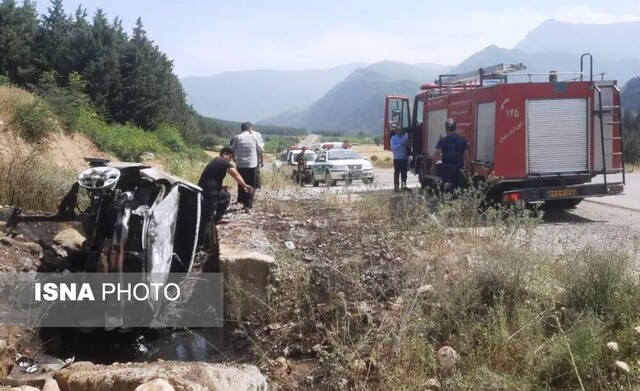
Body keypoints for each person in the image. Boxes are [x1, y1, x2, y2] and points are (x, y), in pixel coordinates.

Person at [197, 147, 253, 242]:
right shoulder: (221, 162)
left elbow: (211, 178)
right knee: (207, 217)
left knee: (225, 196)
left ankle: (218, 219)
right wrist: (244, 185)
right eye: (230, 157)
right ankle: (202, 242)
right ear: (224, 154)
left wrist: (222, 187)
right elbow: (235, 174)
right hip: (209, 193)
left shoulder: (216, 161)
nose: (230, 160)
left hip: (208, 189)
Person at [431, 118, 472, 193]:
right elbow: (467, 156)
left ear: (446, 128)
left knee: (448, 191)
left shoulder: (443, 139)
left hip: (447, 170)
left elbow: (437, 154)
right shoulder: (462, 140)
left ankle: (449, 204)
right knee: (458, 191)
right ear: (455, 127)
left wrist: (433, 166)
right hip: (459, 169)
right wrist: (469, 170)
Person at [230, 122, 263, 211]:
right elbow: (260, 149)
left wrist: (234, 158)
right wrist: (260, 159)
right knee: (251, 184)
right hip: (252, 164)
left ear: (242, 129)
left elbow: (232, 149)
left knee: (242, 183)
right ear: (249, 128)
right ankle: (249, 204)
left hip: (240, 164)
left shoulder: (237, 137)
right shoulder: (254, 137)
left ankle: (243, 201)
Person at [390, 125, 409, 192]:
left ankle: (404, 186)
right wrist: (400, 144)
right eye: (398, 129)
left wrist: (406, 144)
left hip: (404, 158)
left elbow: (407, 145)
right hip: (397, 159)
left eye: (400, 130)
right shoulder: (393, 138)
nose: (399, 131)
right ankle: (396, 187)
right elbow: (392, 147)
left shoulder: (404, 137)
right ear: (396, 130)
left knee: (404, 174)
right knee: (397, 173)